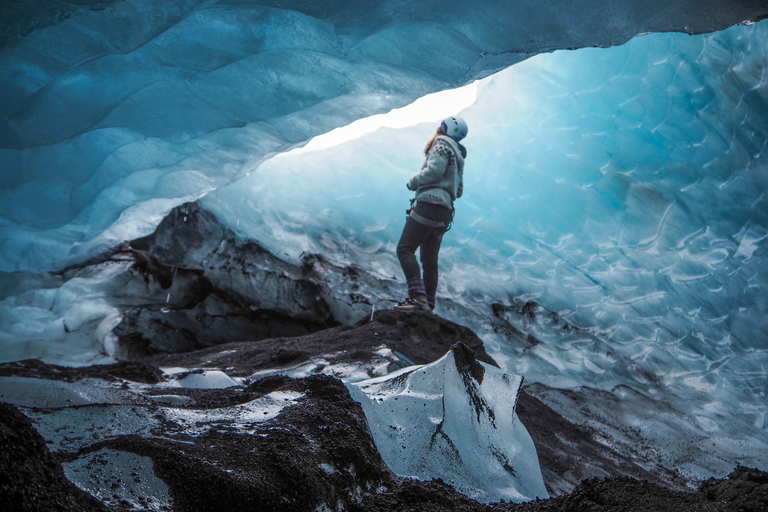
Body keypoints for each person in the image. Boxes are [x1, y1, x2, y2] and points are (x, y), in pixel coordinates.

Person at [395, 115, 468, 313]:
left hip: (429, 204)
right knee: (429, 260)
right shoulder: (459, 156)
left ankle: (418, 299)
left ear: (445, 128)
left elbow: (434, 172)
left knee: (405, 249)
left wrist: (413, 181)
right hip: (444, 212)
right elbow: (458, 191)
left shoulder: (441, 144)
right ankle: (428, 305)